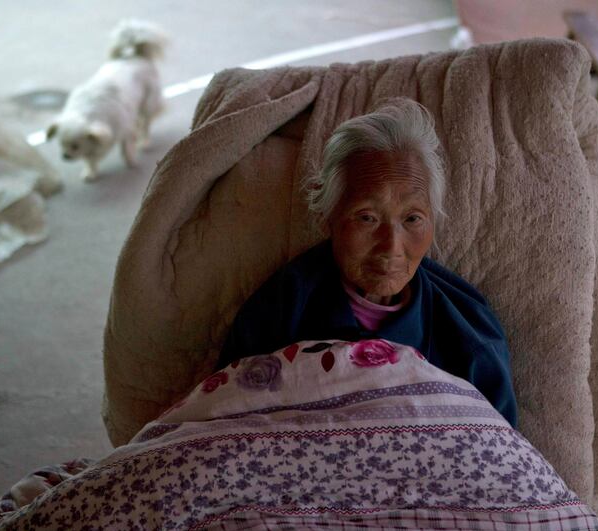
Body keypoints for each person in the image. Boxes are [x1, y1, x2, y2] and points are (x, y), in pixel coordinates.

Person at [216, 99, 517, 427]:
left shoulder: (467, 328)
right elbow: (226, 422)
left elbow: (500, 456)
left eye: (413, 218)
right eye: (367, 218)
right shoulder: (279, 311)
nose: (391, 246)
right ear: (326, 217)